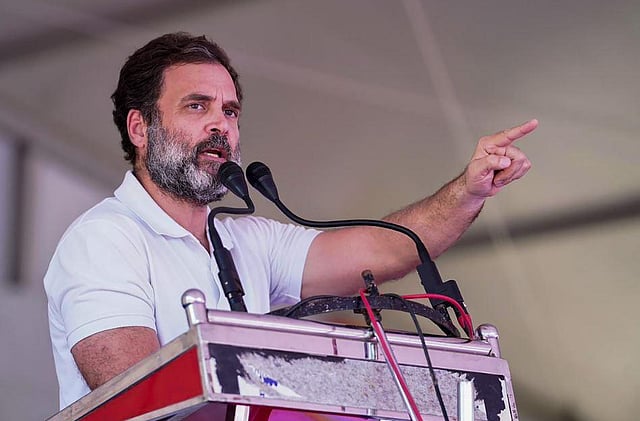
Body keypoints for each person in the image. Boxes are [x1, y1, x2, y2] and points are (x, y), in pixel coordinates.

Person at [44, 32, 537, 409]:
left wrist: (467, 191)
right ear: (140, 128)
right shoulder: (104, 239)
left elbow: (386, 250)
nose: (221, 125)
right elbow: (139, 396)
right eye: (197, 106)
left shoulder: (247, 239)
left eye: (230, 111)